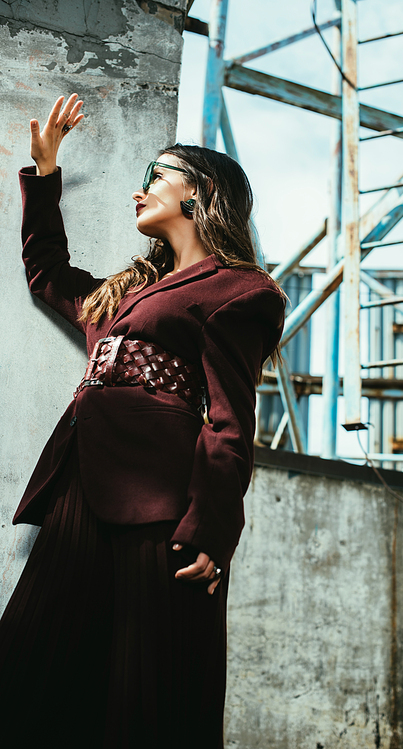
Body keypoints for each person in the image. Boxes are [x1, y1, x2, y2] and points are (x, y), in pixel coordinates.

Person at [0, 94, 285, 749]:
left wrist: (212, 530)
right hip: (78, 495)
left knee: (151, 691)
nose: (141, 188)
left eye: (158, 174)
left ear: (200, 194)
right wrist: (44, 173)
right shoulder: (128, 294)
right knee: (27, 670)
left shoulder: (241, 290)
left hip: (164, 516)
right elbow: (48, 274)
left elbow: (229, 422)